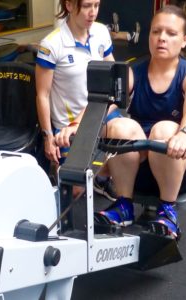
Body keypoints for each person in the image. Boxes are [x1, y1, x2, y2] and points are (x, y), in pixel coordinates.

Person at [96, 5, 186, 240]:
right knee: (118, 126)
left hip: (180, 162)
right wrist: (79, 126)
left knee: (164, 128)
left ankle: (168, 212)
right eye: (156, 32)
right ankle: (124, 205)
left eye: (171, 33)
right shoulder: (132, 71)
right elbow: (107, 104)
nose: (162, 38)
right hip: (137, 165)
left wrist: (183, 134)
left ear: (184, 40)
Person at [35, 0, 126, 200]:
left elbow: (112, 72)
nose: (92, 12)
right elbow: (42, 94)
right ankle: (59, 170)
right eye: (86, 6)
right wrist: (48, 137)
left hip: (100, 114)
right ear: (69, 5)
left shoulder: (101, 32)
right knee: (74, 192)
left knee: (130, 141)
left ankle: (100, 177)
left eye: (96, 5)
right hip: (69, 125)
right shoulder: (51, 45)